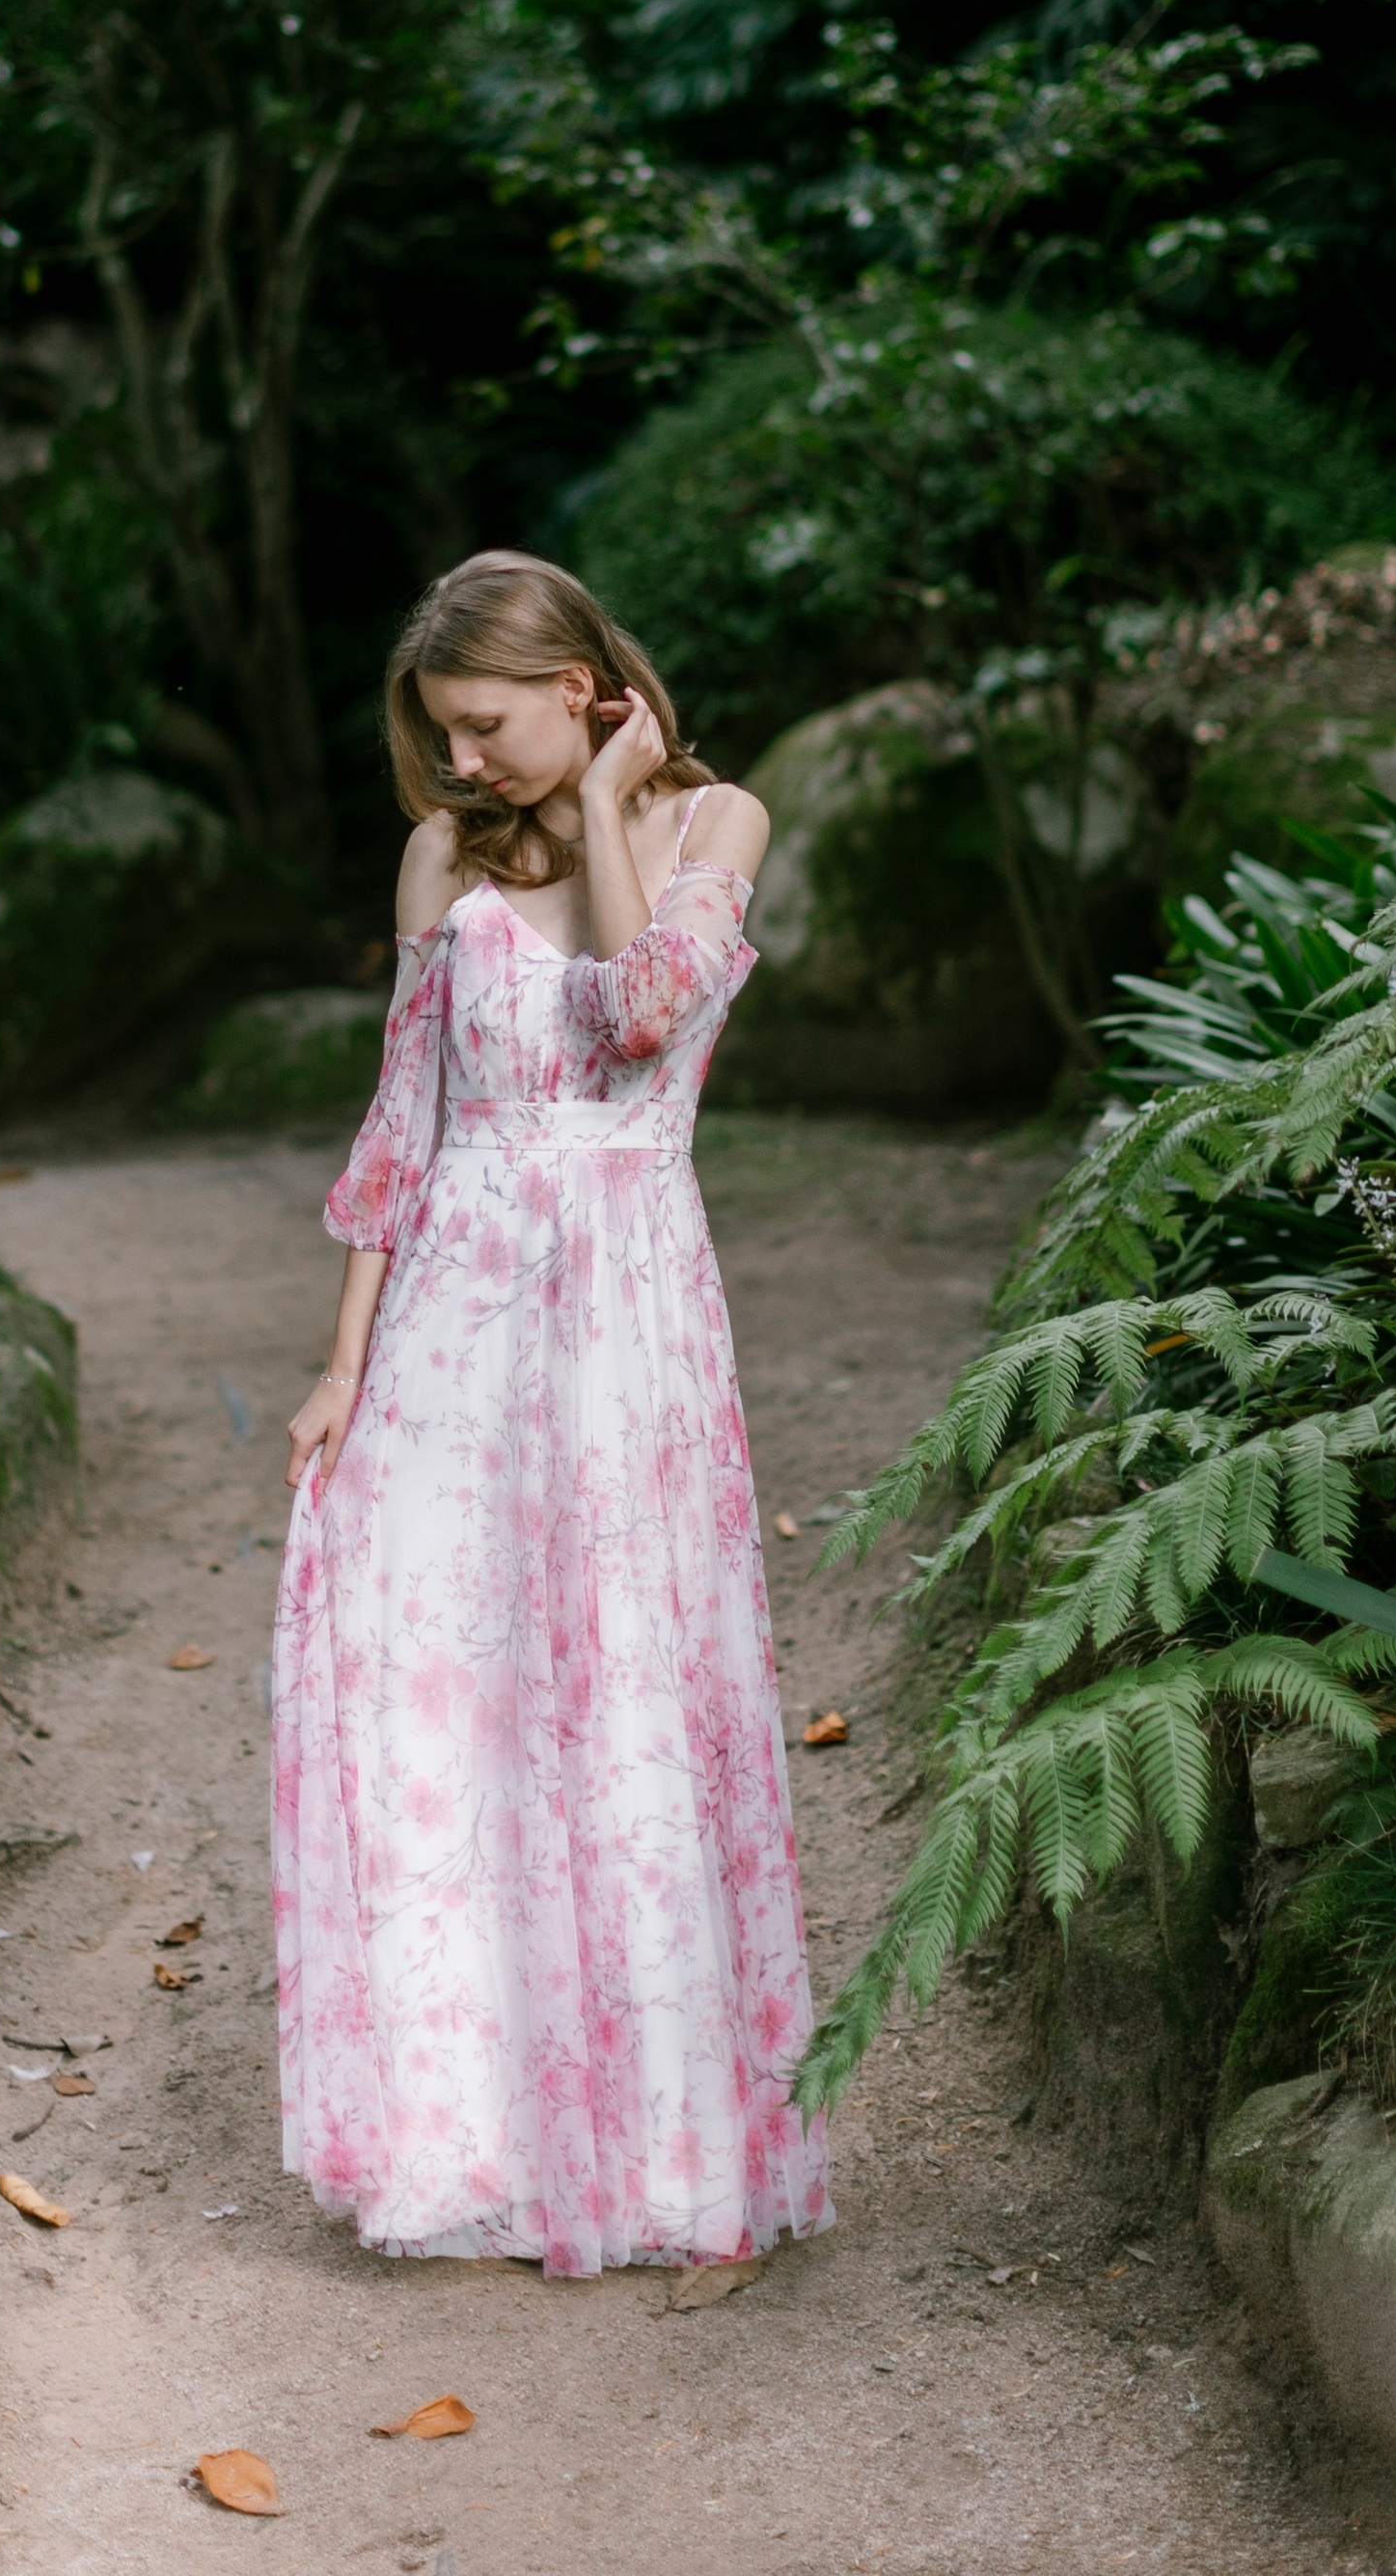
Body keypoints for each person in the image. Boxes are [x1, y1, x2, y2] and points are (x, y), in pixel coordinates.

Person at [268, 550, 834, 2280]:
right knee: (445, 1698)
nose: (459, 767)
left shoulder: (717, 822)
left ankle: (654, 2153)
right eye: (440, 734)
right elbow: (405, 1123)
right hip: (452, 1315)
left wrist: (602, 805)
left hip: (623, 1322)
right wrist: (346, 1361)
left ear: (585, 687)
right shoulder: (440, 853)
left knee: (622, 1702)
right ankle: (472, 2140)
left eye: (489, 727)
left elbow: (635, 1015)